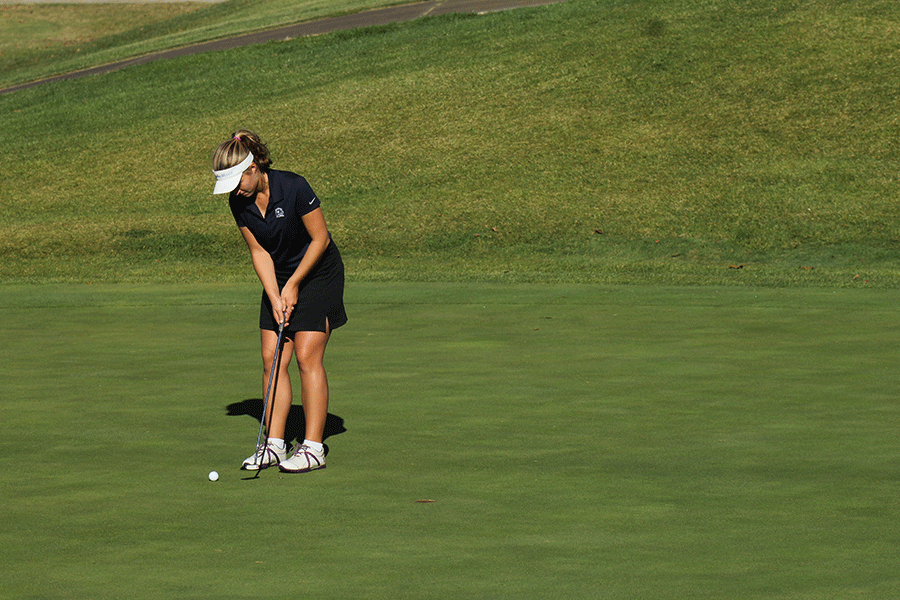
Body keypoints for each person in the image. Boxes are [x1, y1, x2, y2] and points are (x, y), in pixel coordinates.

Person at [211, 129, 347, 473]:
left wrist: (295, 284)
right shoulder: (238, 201)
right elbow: (259, 250)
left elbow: (321, 239)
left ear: (254, 167)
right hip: (280, 277)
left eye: (237, 181)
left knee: (305, 355)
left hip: (318, 273)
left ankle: (313, 448)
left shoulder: (294, 186)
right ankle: (274, 443)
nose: (236, 191)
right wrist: (275, 293)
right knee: (272, 357)